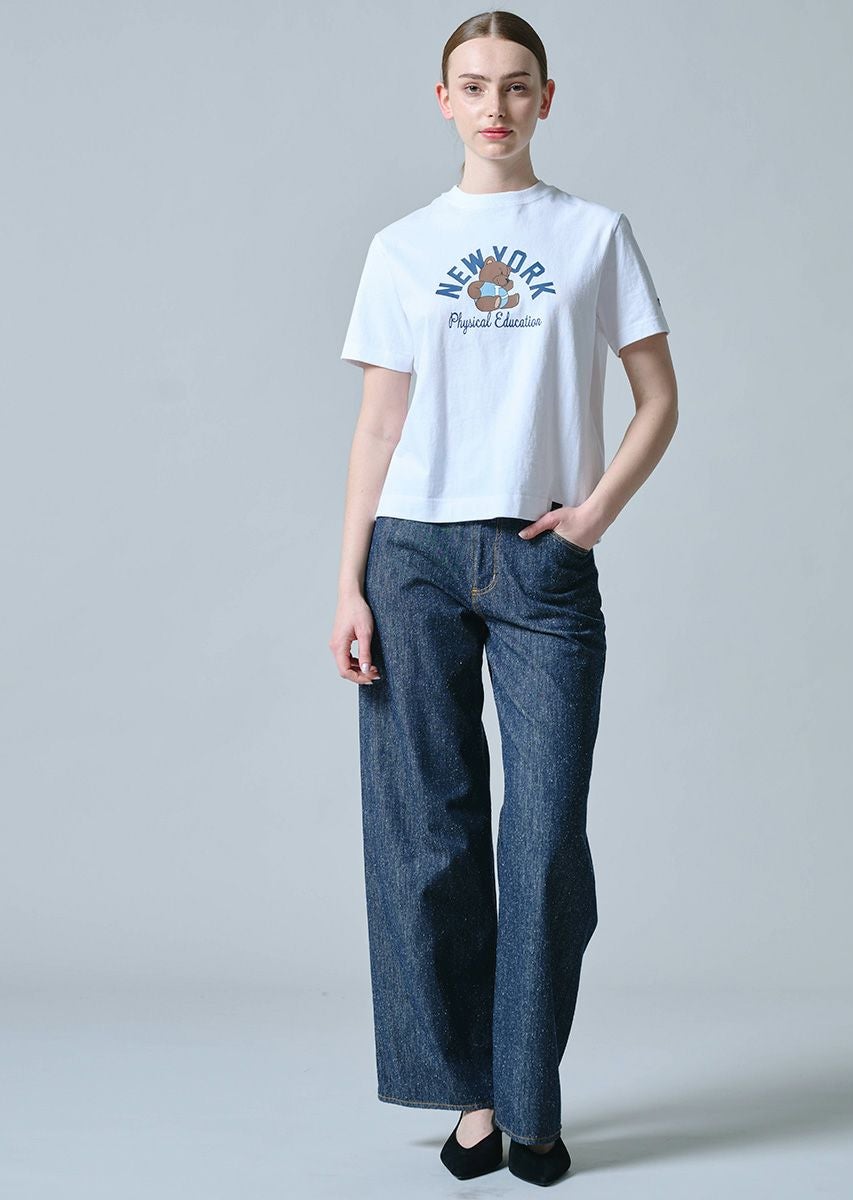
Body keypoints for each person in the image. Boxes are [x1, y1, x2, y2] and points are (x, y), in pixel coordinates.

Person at [330, 10, 678, 1187]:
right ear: (443, 100)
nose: (495, 106)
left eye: (516, 85)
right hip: (413, 558)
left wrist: (595, 513)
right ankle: (476, 1100)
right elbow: (378, 425)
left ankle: (532, 1097)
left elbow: (659, 398)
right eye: (473, 86)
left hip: (541, 564)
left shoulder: (592, 235)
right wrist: (348, 585)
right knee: (426, 838)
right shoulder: (401, 247)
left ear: (545, 99)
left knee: (542, 843)